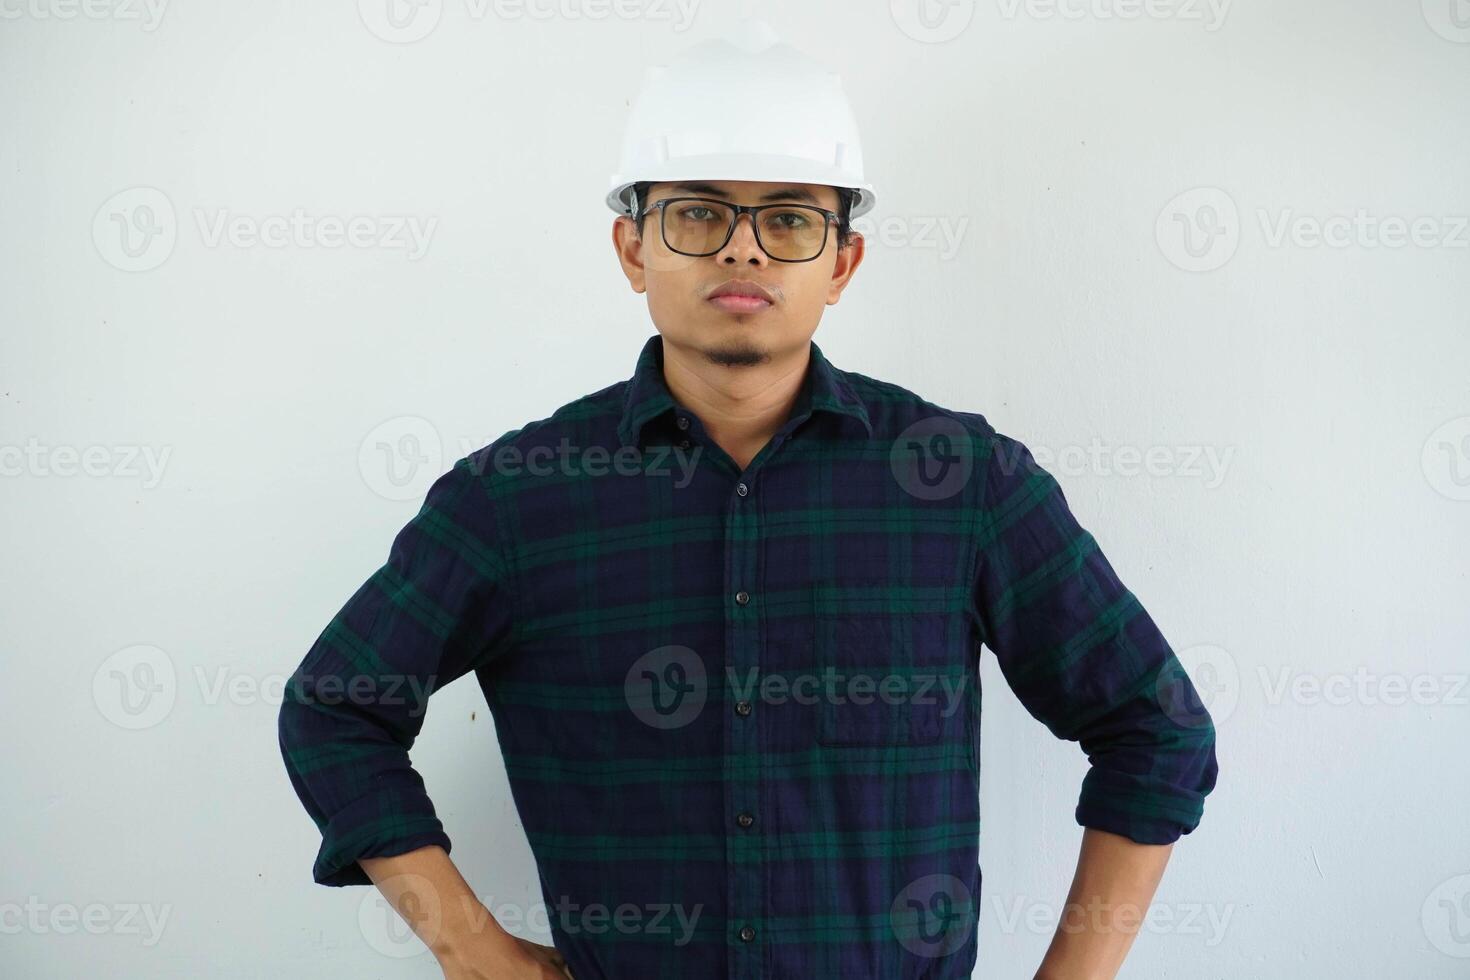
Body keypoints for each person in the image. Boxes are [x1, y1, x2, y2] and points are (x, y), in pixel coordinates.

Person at [277, 19, 1217, 980]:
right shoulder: (517, 500)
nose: (743, 252)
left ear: (840, 262)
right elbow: (333, 710)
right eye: (697, 213)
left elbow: (1158, 730)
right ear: (633, 250)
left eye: (788, 218)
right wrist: (476, 955)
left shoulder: (962, 482)